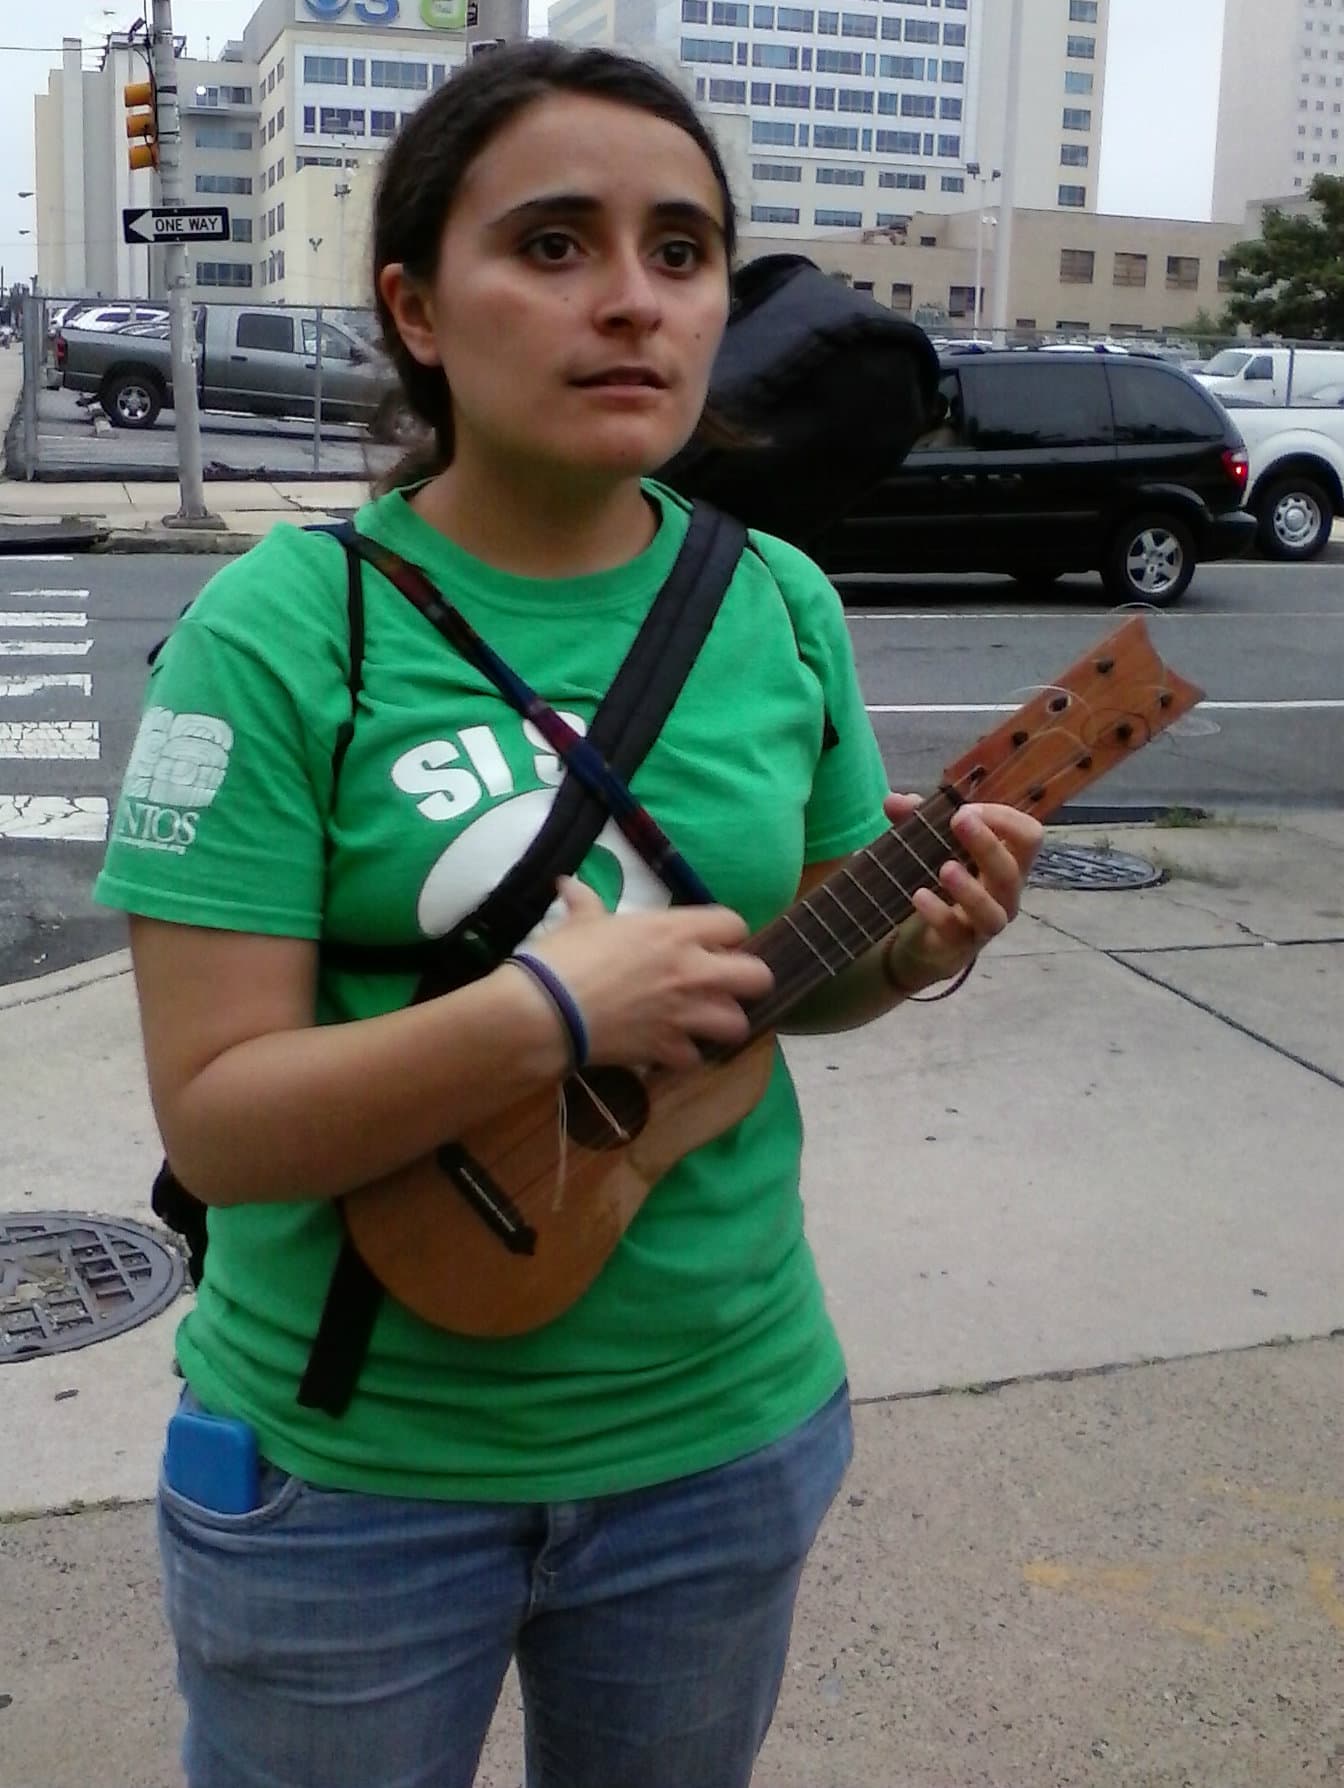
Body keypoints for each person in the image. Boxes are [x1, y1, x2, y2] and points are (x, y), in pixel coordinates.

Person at [94, 40, 1041, 1788]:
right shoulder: (283, 628)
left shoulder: (776, 602)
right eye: (553, 244)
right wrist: (547, 1014)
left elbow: (766, 994)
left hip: (722, 1438)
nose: (633, 300)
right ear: (417, 309)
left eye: (680, 252)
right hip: (345, 1482)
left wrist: (909, 948)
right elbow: (218, 1129)